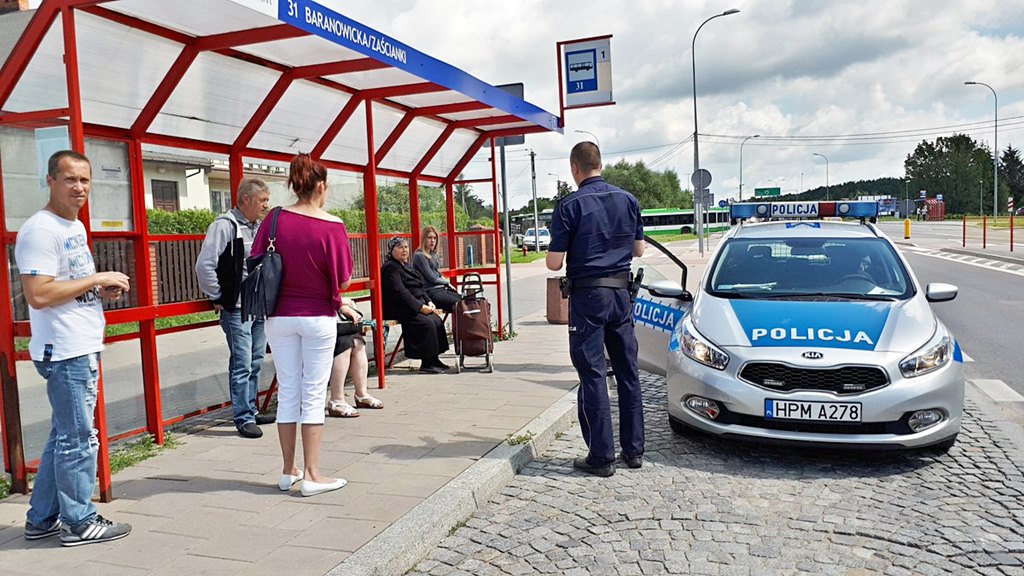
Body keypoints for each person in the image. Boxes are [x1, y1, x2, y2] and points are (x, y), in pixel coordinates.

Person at [16, 150, 133, 545]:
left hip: (79, 344)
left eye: (84, 180)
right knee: (79, 439)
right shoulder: (41, 230)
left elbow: (67, 285)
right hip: (65, 350)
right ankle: (78, 523)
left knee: (64, 437)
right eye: (69, 179)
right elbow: (38, 294)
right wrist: (96, 278)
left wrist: (97, 290)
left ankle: (41, 519)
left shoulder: (74, 226)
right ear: (50, 181)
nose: (79, 187)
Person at [251, 153, 352, 497]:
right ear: (321, 186)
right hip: (318, 316)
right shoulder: (333, 225)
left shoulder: (274, 218)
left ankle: (287, 470)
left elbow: (256, 259)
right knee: (313, 392)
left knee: (288, 390)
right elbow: (343, 280)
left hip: (278, 317)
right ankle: (312, 474)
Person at [546, 141, 646, 478]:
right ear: (600, 164)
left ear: (575, 168)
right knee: (628, 372)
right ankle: (633, 451)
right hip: (621, 295)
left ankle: (601, 457)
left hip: (588, 297)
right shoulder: (628, 199)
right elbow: (639, 250)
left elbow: (554, 262)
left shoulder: (569, 205)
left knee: (593, 374)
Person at [195, 178, 274, 439]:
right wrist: (218, 295)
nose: (266, 205)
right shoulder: (224, 226)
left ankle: (251, 409)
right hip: (238, 308)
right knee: (242, 363)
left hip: (258, 305)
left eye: (267, 200)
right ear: (246, 199)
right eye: (262, 200)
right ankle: (243, 417)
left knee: (256, 360)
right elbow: (204, 265)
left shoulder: (258, 227)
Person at [380, 237, 450, 374]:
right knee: (426, 323)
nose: (404, 250)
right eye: (400, 247)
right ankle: (427, 362)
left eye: (406, 247)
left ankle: (434, 359)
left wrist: (429, 301)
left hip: (414, 303)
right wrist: (420, 307)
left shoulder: (406, 266)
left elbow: (419, 287)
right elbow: (401, 292)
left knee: (436, 321)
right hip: (399, 306)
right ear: (392, 250)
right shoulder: (390, 268)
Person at [326, 297, 383, 417]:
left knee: (357, 342)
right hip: (312, 320)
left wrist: (342, 305)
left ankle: (361, 394)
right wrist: (342, 304)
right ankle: (336, 399)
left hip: (328, 318)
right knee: (345, 345)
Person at [412, 226, 461, 313]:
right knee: (458, 303)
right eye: (429, 238)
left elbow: (437, 273)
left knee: (466, 301)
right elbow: (432, 278)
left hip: (441, 289)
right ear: (424, 239)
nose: (432, 241)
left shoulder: (433, 254)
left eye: (435, 238)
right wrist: (447, 283)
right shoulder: (419, 255)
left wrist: (444, 282)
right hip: (430, 292)